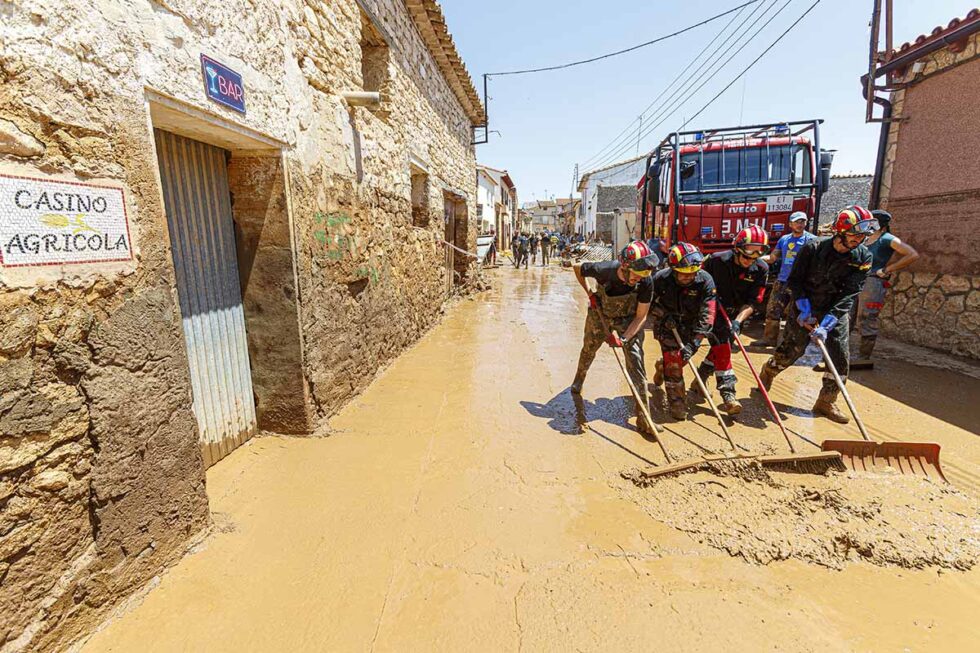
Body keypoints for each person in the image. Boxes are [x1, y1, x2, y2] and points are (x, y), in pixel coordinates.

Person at [759, 207, 876, 423]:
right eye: (855, 234)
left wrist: (829, 323)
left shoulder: (863, 256)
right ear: (841, 231)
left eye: (863, 236)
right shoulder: (812, 249)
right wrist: (803, 309)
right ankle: (769, 371)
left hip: (835, 309)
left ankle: (826, 401)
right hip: (806, 305)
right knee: (793, 350)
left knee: (839, 357)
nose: (859, 239)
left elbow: (850, 292)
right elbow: (795, 280)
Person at [571, 241, 658, 434]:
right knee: (588, 350)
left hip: (628, 319)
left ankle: (644, 418)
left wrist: (624, 339)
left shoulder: (646, 281)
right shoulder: (605, 269)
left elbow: (641, 316)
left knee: (637, 363)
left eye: (644, 274)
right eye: (637, 274)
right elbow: (577, 267)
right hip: (600, 313)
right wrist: (590, 294)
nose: (640, 278)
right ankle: (579, 380)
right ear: (625, 267)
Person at [694, 226, 770, 414]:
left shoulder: (761, 269)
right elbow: (697, 281)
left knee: (721, 347)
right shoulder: (715, 260)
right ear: (737, 249)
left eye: (754, 258)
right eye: (746, 257)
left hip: (736, 314)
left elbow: (753, 302)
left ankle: (701, 377)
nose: (749, 261)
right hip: (711, 308)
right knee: (723, 349)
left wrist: (738, 321)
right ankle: (728, 393)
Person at [649, 243, 718, 420]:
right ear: (673, 269)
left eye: (692, 273)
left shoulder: (705, 280)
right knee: (674, 364)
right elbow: (646, 303)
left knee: (682, 359)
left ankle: (661, 367)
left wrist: (696, 341)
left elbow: (708, 313)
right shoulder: (660, 279)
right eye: (683, 273)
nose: (689, 276)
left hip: (690, 327)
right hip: (667, 326)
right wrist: (662, 315)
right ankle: (677, 403)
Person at [854, 209, 919, 363]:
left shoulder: (887, 238)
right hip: (857, 281)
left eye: (870, 221)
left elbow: (912, 254)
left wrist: (887, 270)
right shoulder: (865, 238)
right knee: (848, 316)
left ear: (879, 224)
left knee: (867, 317)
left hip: (872, 281)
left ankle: (863, 357)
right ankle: (843, 354)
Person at [757, 211, 817, 347]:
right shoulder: (784, 240)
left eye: (802, 221)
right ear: (790, 224)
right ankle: (769, 339)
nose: (800, 224)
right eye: (797, 222)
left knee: (793, 313)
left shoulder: (812, 240)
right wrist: (755, 258)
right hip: (782, 280)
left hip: (800, 283)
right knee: (773, 309)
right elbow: (772, 258)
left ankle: (788, 343)